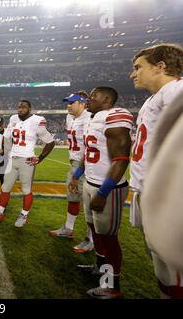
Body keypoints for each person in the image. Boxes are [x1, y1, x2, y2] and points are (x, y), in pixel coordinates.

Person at [130, 43, 183, 298]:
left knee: (174, 268)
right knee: (160, 262)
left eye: (138, 67)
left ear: (160, 66)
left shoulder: (176, 89)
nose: (133, 74)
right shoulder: (156, 98)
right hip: (146, 188)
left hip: (166, 196)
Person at [69, 87, 132, 299]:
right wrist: (77, 175)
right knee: (94, 230)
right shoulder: (92, 119)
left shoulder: (115, 116)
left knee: (108, 238)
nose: (89, 99)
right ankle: (99, 266)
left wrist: (103, 192)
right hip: (90, 182)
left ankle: (112, 286)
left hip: (108, 188)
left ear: (106, 99)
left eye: (93, 96)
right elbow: (88, 153)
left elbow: (121, 159)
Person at [0, 100, 55, 227]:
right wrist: (5, 150)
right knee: (5, 187)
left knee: (26, 190)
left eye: (24, 107)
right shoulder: (13, 118)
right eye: (19, 107)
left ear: (30, 108)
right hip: (12, 159)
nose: (20, 109)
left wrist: (40, 158)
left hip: (27, 161)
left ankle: (24, 215)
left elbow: (50, 142)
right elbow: (6, 137)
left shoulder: (37, 120)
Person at [49, 91, 94, 253]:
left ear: (82, 103)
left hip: (88, 165)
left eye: (71, 103)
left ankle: (91, 239)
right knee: (73, 197)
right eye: (67, 102)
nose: (68, 105)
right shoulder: (69, 117)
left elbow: (90, 146)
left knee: (89, 203)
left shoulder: (90, 117)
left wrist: (78, 170)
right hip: (75, 162)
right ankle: (68, 228)